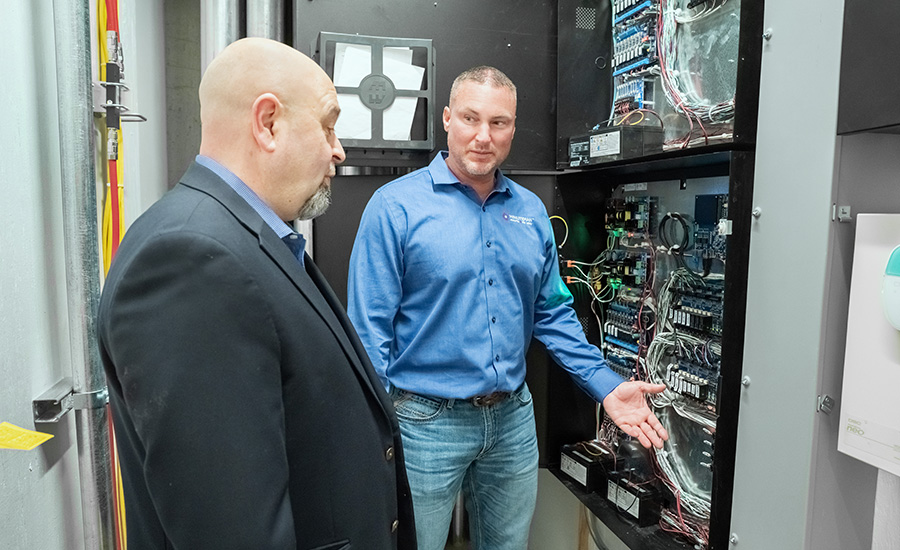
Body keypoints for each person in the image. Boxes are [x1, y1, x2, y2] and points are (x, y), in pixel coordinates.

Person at [97, 38, 415, 550]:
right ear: (267, 123)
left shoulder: (249, 239)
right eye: (328, 125)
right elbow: (231, 529)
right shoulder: (191, 260)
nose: (339, 149)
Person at [347, 66, 668, 550]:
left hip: (512, 422)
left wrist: (606, 386)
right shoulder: (396, 207)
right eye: (471, 119)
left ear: (513, 129)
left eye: (499, 123)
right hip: (424, 424)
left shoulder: (530, 210)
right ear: (448, 118)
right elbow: (368, 331)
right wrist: (376, 430)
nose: (483, 136)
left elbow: (553, 313)